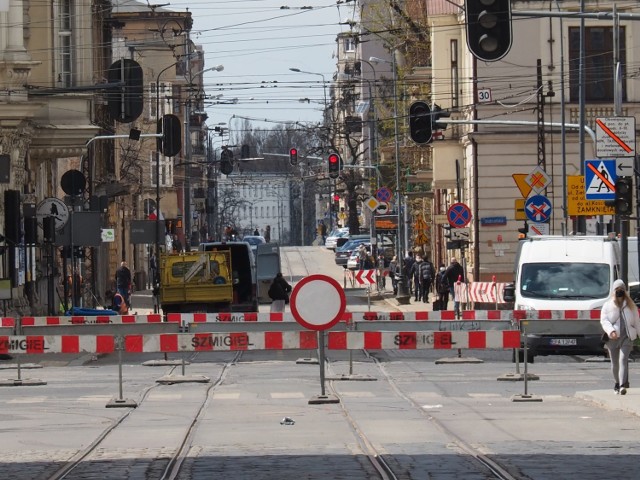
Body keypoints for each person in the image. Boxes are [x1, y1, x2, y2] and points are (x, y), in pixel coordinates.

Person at [600, 279, 640, 395]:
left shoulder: (630, 305)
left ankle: (622, 385)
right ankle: (617, 383)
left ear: (625, 291)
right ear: (613, 291)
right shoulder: (607, 305)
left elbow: (637, 321)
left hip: (627, 337)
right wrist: (610, 331)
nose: (619, 292)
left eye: (621, 290)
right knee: (614, 363)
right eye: (617, 290)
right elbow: (604, 320)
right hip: (613, 338)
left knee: (623, 359)